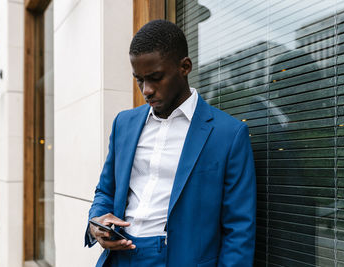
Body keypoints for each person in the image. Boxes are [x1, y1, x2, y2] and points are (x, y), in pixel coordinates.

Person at [84, 19, 256, 267]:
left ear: (184, 67)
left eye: (155, 78)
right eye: (139, 80)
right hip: (119, 257)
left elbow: (239, 228)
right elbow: (105, 190)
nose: (147, 90)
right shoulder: (124, 123)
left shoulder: (228, 134)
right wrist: (96, 222)